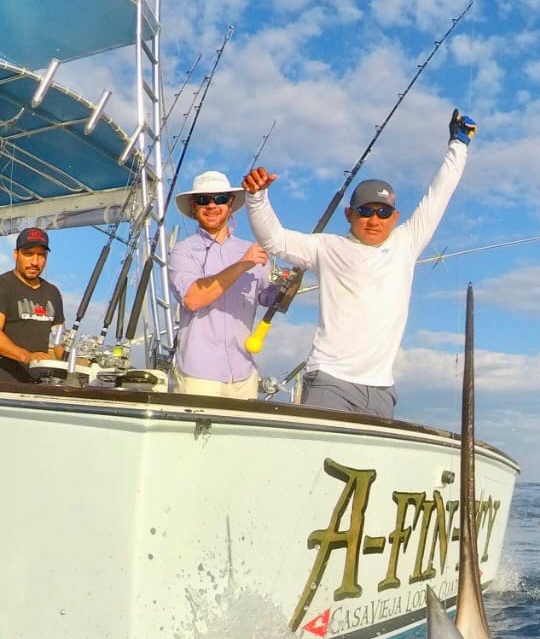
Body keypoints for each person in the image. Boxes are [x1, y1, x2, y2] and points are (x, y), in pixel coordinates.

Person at [242, 108, 477, 418]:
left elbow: (439, 193)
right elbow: (275, 240)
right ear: (349, 215)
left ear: (395, 217)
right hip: (329, 382)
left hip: (381, 390)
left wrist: (458, 144)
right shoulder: (327, 247)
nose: (373, 220)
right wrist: (257, 197)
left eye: (382, 213)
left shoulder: (407, 242)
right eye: (365, 212)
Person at [167, 170, 278, 399]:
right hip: (198, 375)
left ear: (229, 204)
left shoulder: (253, 251)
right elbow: (193, 298)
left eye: (219, 199)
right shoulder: (183, 251)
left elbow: (271, 300)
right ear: (193, 206)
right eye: (203, 200)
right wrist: (242, 265)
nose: (211, 205)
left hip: (244, 376)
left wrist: (291, 283)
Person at [0, 227, 66, 385]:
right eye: (28, 254)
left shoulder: (53, 292)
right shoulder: (3, 285)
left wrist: (76, 364)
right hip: (6, 388)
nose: (35, 262)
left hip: (40, 387)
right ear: (16, 254)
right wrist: (27, 356)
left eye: (41, 255)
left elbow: (57, 342)